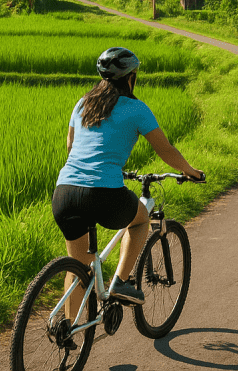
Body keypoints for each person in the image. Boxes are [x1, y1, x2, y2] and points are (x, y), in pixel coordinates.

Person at [52, 47, 203, 312]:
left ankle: (67, 329)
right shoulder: (136, 108)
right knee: (141, 218)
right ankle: (120, 282)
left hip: (64, 192)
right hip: (104, 194)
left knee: (78, 268)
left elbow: (71, 146)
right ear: (130, 77)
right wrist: (189, 170)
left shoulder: (84, 102)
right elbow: (164, 149)